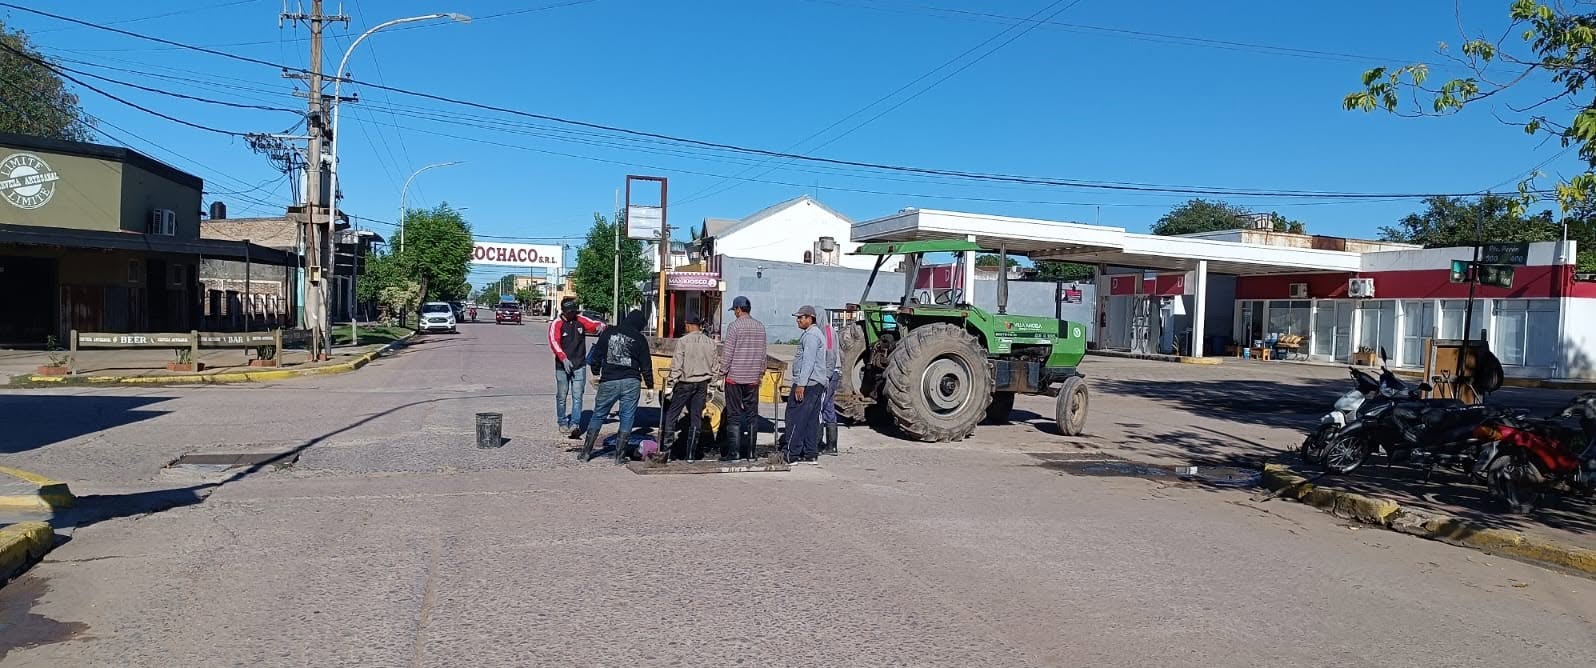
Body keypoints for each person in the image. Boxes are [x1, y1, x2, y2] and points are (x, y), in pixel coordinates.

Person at [579, 310, 653, 464]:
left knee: (598, 414)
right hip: (631, 382)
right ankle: (619, 457)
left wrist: (595, 372)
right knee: (627, 417)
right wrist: (650, 386)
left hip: (609, 380)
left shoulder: (608, 333)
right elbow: (646, 365)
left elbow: (596, 355)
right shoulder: (640, 338)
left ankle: (586, 453)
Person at [548, 298, 604, 438]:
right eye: (569, 312)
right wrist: (563, 357)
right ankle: (562, 422)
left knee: (577, 396)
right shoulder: (557, 323)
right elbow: (554, 341)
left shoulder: (580, 320)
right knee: (562, 395)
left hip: (579, 364)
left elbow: (594, 324)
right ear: (564, 311)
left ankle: (575, 424)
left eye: (573, 312)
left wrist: (600, 326)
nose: (572, 314)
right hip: (563, 366)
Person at [719, 295, 767, 461]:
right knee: (752, 415)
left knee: (733, 415)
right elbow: (763, 354)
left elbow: (728, 353)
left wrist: (722, 371)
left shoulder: (734, 327)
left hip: (734, 378)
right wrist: (760, 372)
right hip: (753, 379)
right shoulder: (760, 327)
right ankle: (752, 454)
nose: (734, 313)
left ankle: (734, 453)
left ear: (739, 309)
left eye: (735, 310)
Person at [663, 315, 716, 460]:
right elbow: (715, 367)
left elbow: (677, 365)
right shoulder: (710, 343)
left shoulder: (683, 341)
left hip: (685, 384)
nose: (685, 327)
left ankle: (666, 452)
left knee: (672, 414)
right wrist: (712, 386)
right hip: (702, 385)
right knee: (696, 417)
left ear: (690, 325)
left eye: (686, 324)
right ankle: (691, 454)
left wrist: (669, 385)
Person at [784, 305, 829, 464]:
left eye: (800, 317)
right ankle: (810, 453)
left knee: (797, 418)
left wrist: (801, 384)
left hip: (808, 383)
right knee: (811, 420)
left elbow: (808, 362)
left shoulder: (811, 336)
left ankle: (792, 454)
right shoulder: (816, 334)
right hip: (816, 382)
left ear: (810, 318)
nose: (798, 320)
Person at [818, 309, 842, 456]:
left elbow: (831, 354)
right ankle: (831, 446)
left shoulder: (827, 331)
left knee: (819, 406)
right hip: (832, 373)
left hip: (830, 374)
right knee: (828, 407)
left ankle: (818, 443)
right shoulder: (824, 330)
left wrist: (826, 375)